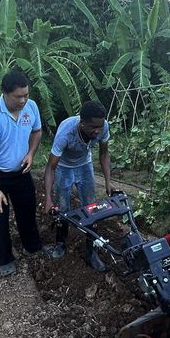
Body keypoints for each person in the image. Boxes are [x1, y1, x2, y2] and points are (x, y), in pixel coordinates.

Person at [0, 69, 47, 277]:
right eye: (18, 96)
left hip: (21, 171)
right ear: (5, 93)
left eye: (26, 94)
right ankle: (5, 258)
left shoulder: (31, 107)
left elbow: (37, 131)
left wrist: (31, 153)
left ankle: (32, 246)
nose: (23, 100)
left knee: (27, 209)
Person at [43, 100, 113, 272]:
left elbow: (104, 154)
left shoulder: (103, 127)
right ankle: (60, 244)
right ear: (82, 123)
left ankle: (91, 252)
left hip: (84, 166)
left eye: (100, 126)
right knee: (63, 209)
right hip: (64, 168)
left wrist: (107, 181)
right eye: (93, 127)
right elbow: (51, 167)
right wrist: (49, 198)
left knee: (91, 208)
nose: (97, 131)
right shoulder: (65, 133)